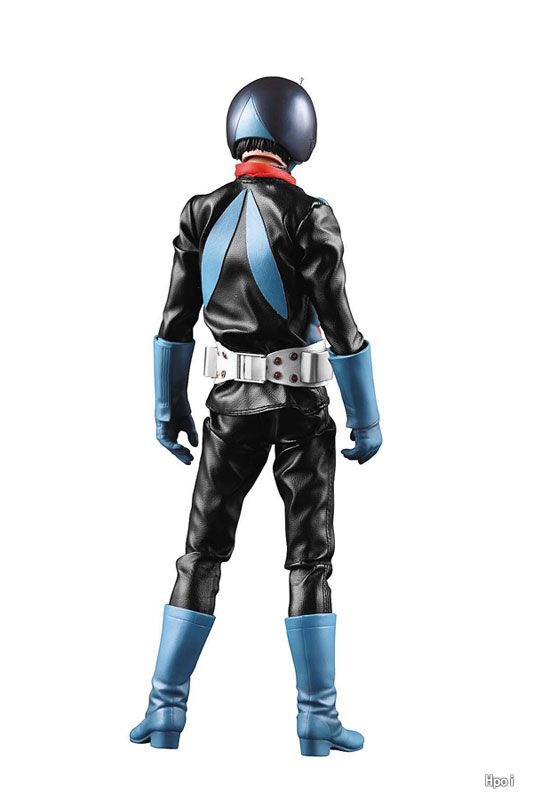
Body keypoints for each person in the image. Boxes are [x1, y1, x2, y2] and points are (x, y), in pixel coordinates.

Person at [130, 76, 382, 756]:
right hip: (301, 411)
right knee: (309, 563)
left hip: (228, 410)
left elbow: (174, 322)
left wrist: (166, 408)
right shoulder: (310, 215)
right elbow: (341, 326)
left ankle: (163, 709)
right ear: (298, 133)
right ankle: (317, 719)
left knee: (200, 554)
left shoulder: (200, 212)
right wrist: (366, 419)